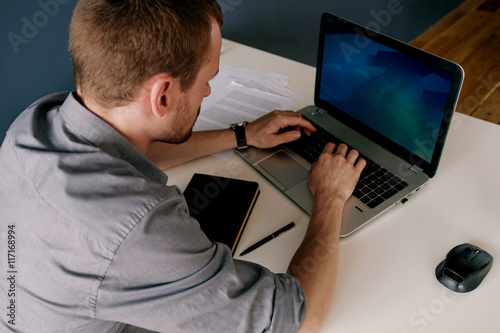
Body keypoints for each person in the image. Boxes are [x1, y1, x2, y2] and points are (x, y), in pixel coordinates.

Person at [0, 1, 365, 332]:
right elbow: (298, 319)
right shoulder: (134, 229)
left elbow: (137, 152)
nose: (207, 92)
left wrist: (242, 135)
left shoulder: (33, 126)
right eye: (206, 81)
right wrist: (330, 198)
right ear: (163, 95)